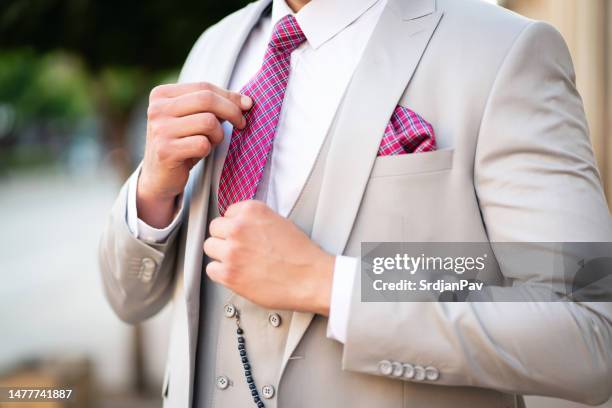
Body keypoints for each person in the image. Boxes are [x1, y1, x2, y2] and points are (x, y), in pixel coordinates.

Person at [98, 0, 612, 407]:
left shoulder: (502, 50)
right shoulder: (214, 46)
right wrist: (152, 190)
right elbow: (129, 300)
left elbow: (588, 332)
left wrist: (329, 283)